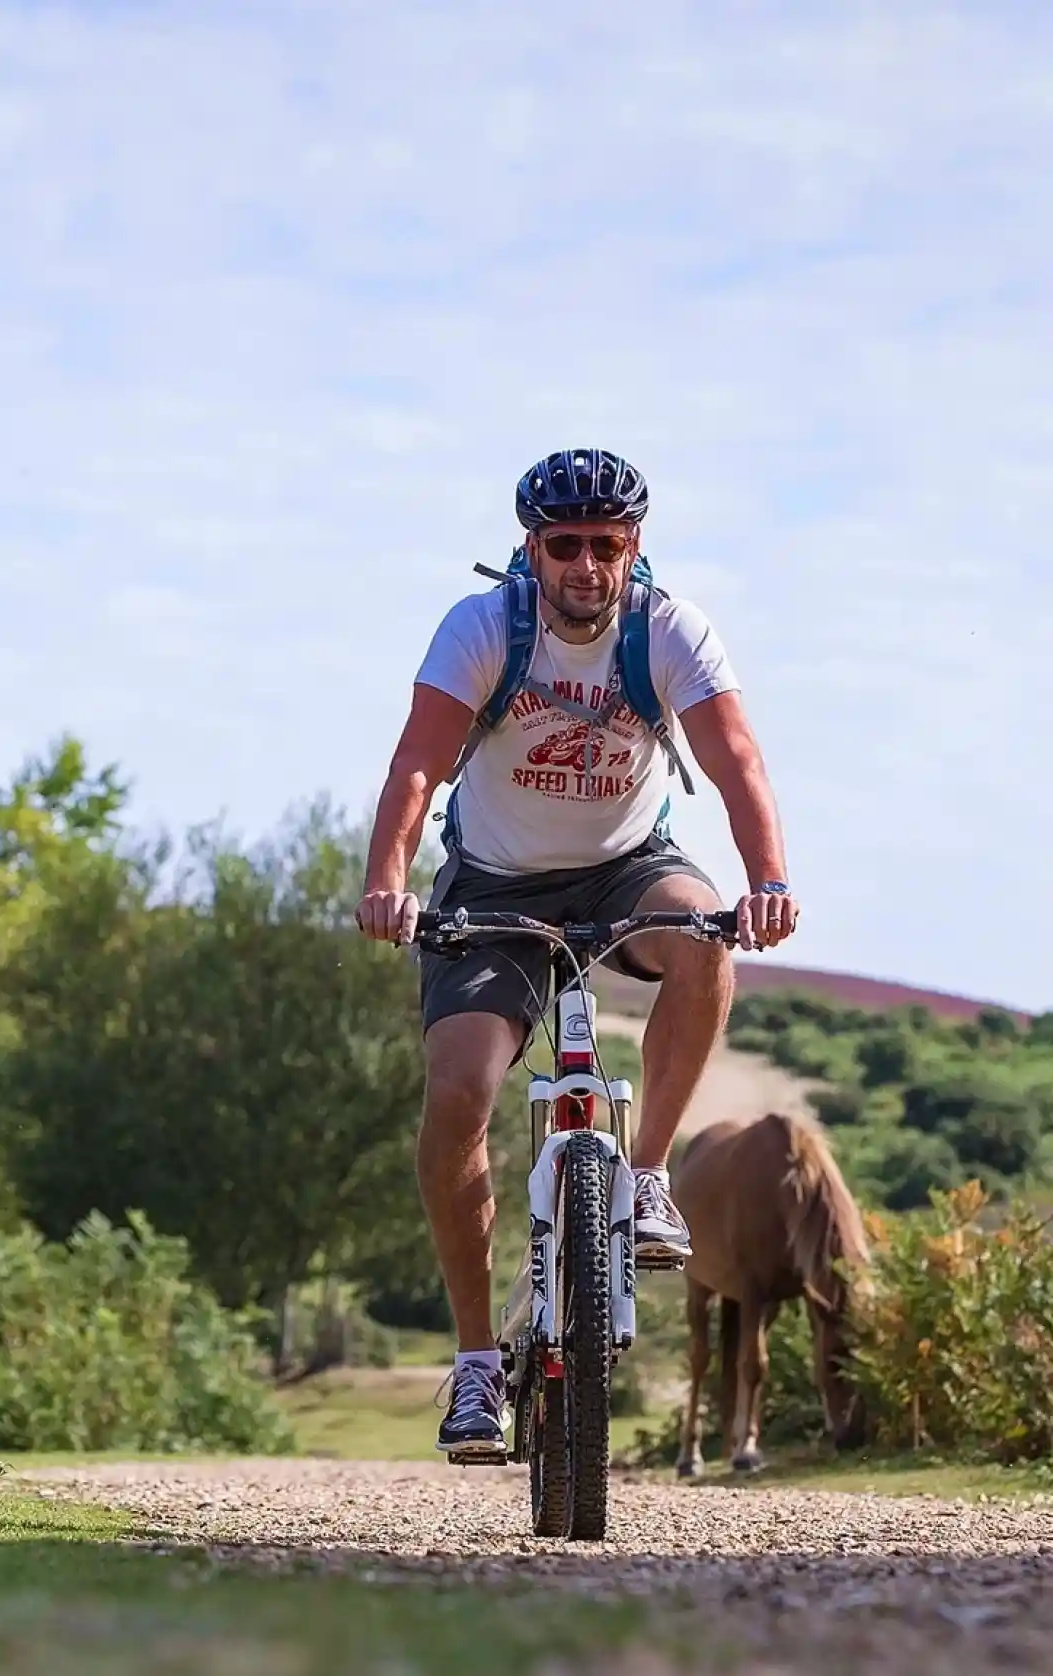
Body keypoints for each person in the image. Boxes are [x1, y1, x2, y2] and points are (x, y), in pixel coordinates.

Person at [356, 447, 799, 1458]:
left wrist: (766, 876)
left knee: (700, 939)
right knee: (459, 1085)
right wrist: (387, 881)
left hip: (624, 867)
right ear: (531, 548)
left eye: (606, 544)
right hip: (493, 883)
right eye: (565, 545)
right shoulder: (482, 628)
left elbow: (733, 760)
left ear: (632, 547)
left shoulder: (667, 629)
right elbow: (417, 764)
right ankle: (476, 1365)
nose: (585, 565)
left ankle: (642, 1179)